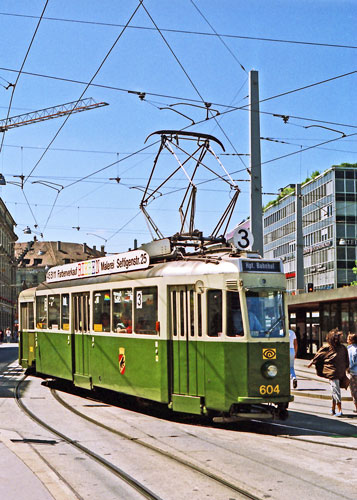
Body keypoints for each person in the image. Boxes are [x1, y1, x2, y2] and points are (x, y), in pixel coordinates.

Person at [308, 329, 349, 417]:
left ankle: (340, 410)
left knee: (335, 391)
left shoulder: (329, 348)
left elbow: (318, 356)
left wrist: (312, 362)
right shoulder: (342, 348)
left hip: (333, 373)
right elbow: (347, 361)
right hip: (339, 372)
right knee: (334, 390)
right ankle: (333, 408)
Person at [347, 333, 357, 413]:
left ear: (352, 340)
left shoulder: (351, 349)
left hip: (354, 373)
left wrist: (348, 368)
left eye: (348, 338)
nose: (347, 340)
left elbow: (353, 361)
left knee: (354, 390)